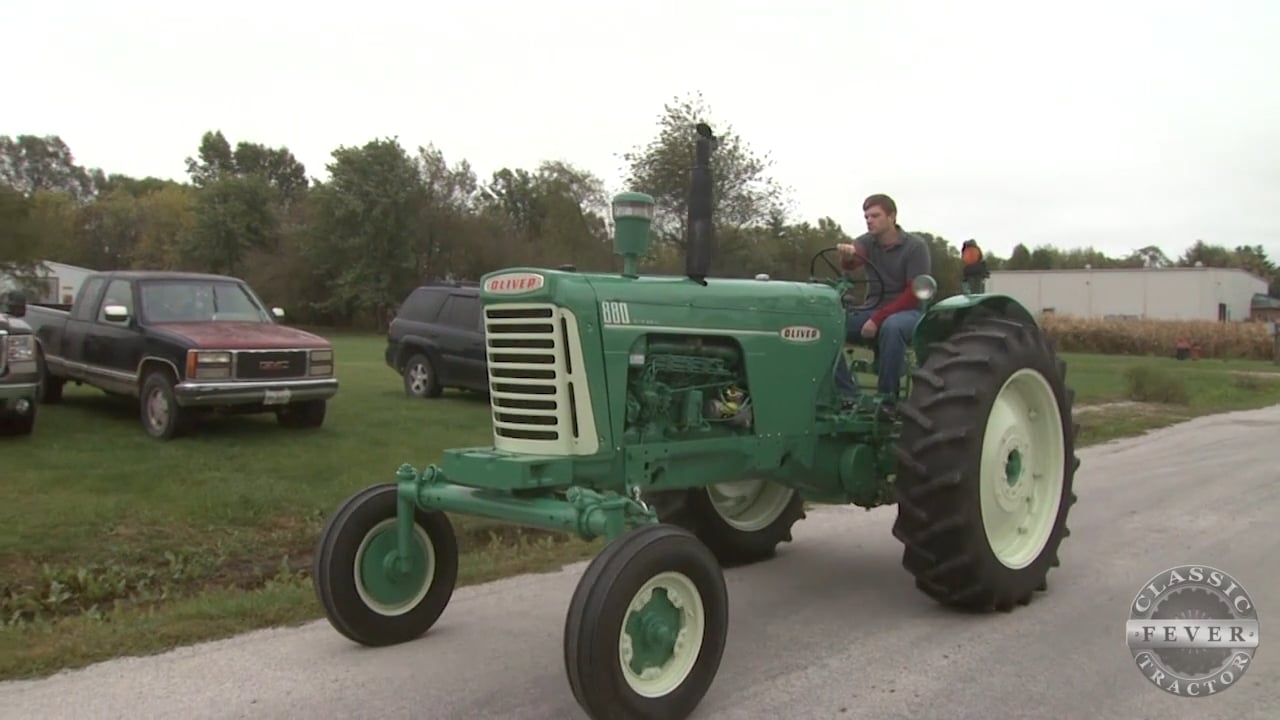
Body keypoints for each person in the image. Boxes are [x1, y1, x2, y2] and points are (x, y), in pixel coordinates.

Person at [832, 193, 932, 405]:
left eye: (875, 215)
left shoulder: (915, 247)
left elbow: (913, 295)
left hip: (908, 313)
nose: (869, 220)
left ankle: (886, 402)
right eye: (866, 216)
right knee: (826, 328)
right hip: (873, 308)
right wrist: (847, 256)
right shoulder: (866, 242)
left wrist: (877, 319)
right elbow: (853, 260)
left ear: (892, 217)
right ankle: (848, 396)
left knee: (892, 327)